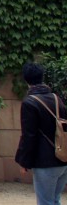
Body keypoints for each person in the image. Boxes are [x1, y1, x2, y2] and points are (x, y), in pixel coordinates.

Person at [16, 62, 67, 205]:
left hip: (45, 161)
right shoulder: (57, 99)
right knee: (55, 200)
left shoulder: (29, 103)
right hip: (63, 157)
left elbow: (29, 135)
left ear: (26, 79)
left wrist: (24, 161)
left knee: (45, 202)